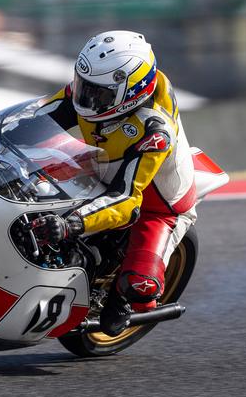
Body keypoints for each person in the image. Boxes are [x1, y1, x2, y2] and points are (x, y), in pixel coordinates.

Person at [30, 30, 197, 337]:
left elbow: (127, 199)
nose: (86, 98)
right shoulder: (100, 89)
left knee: (140, 286)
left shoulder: (154, 132)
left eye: (99, 94)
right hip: (103, 164)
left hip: (155, 204)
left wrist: (71, 223)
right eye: (84, 86)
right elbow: (38, 117)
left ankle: (121, 298)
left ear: (131, 93)